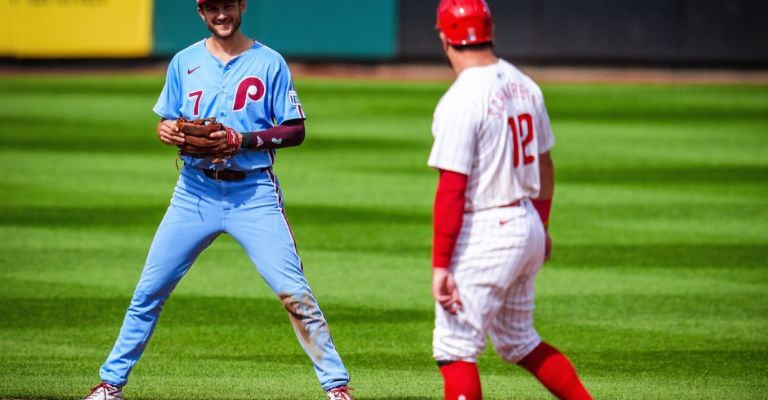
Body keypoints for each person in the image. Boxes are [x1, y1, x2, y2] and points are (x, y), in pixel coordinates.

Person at [82, 1, 353, 399]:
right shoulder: (184, 61)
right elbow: (167, 118)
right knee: (148, 291)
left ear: (241, 5)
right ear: (200, 11)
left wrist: (242, 139)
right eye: (212, 8)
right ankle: (111, 384)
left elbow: (295, 130)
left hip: (254, 193)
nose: (221, 15)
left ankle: (336, 387)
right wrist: (166, 129)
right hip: (194, 193)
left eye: (227, 5)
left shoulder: (270, 63)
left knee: (294, 291)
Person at [428, 1, 593, 399]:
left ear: (446, 37)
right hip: (527, 223)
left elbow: (452, 187)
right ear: (490, 32)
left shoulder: (461, 98)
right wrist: (542, 225)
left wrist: (440, 264)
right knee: (520, 340)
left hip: (488, 232)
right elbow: (545, 164)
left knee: (455, 349)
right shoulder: (525, 85)